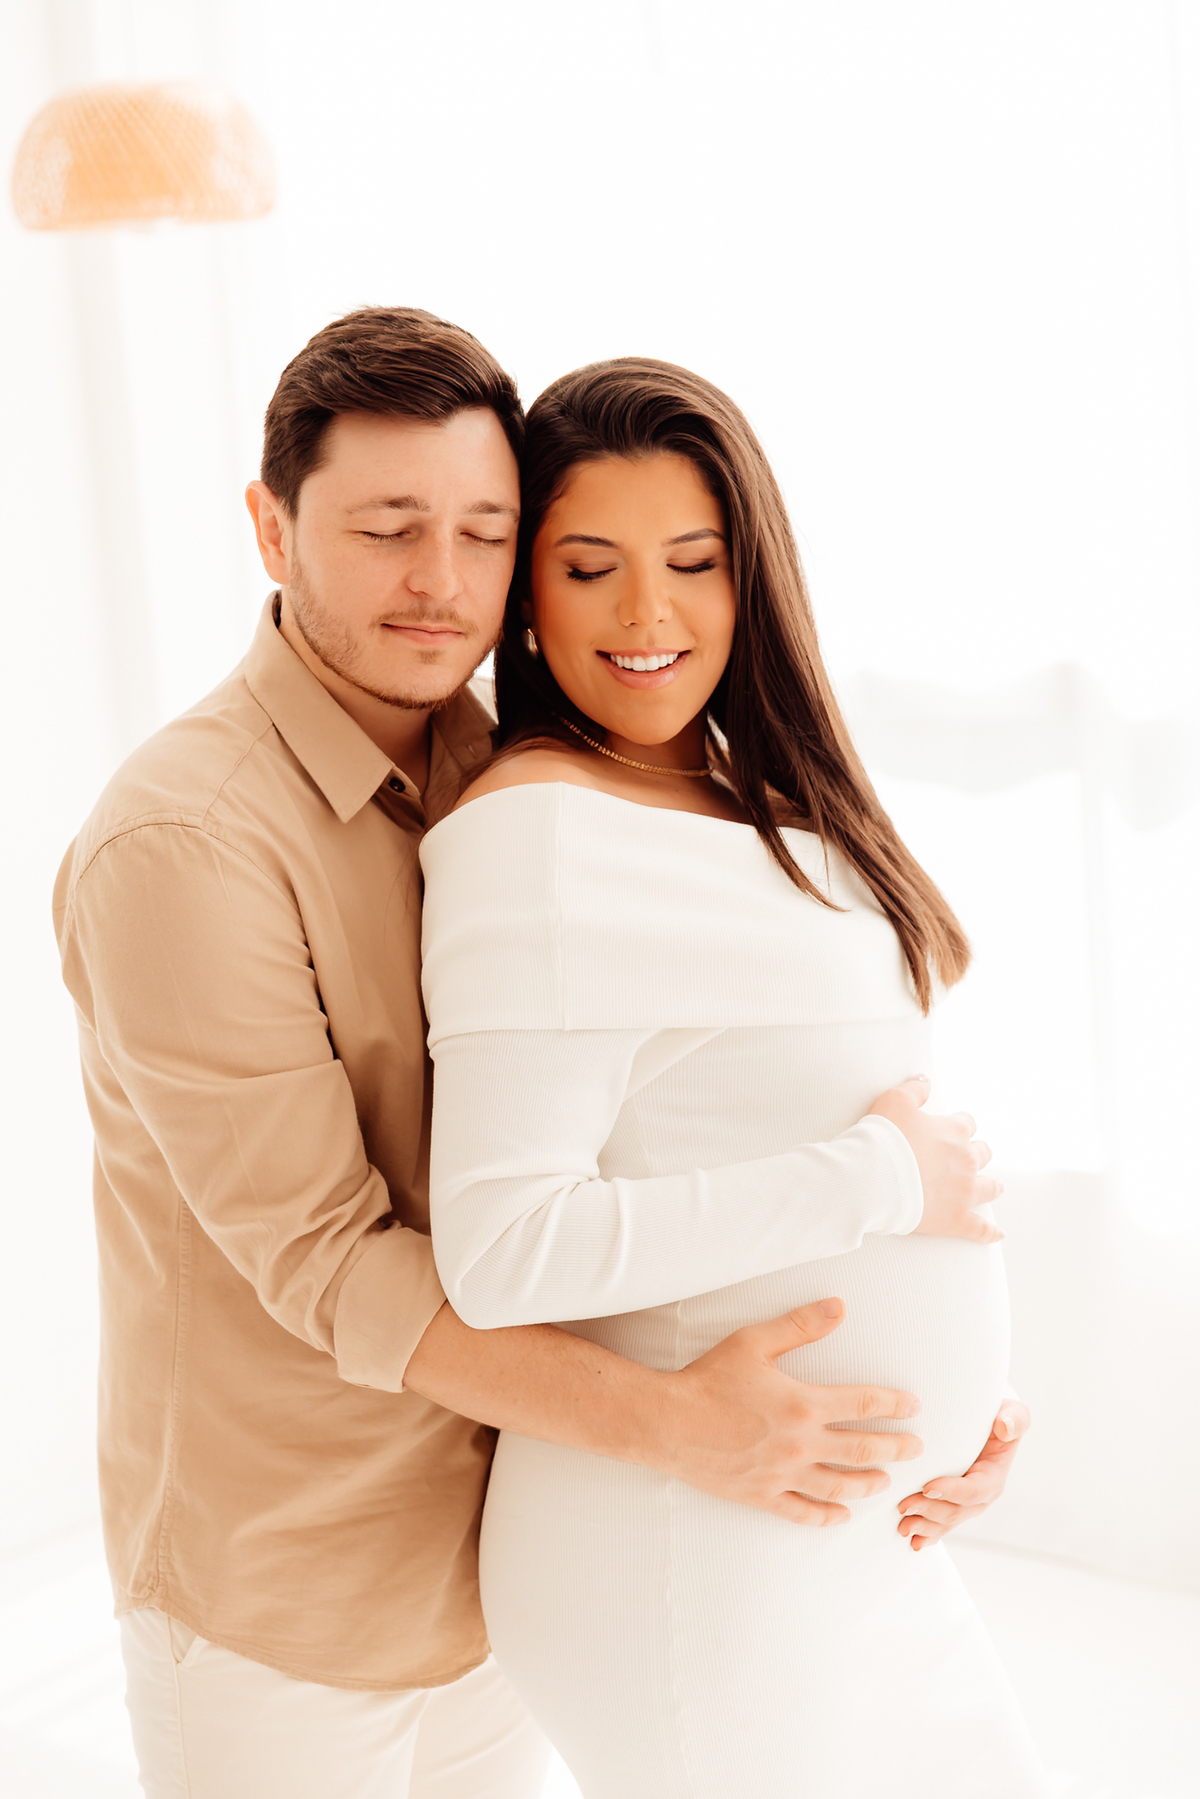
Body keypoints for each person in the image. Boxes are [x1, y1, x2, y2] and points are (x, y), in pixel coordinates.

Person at [53, 309, 1028, 1799]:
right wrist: (685, 1424)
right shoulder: (186, 842)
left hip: (513, 1526)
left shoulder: (502, 761)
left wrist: (923, 1407)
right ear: (271, 528)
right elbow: (331, 1262)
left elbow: (668, 1122)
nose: (442, 583)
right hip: (300, 1585)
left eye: (483, 533)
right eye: (387, 530)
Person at [421, 356, 1050, 1797]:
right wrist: (880, 1185)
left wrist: (964, 1408)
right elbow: (506, 1252)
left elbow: (764, 1107)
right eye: (592, 569)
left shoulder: (757, 791)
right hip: (689, 1546)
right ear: (527, 596)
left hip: (842, 1518)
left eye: (693, 563)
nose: (648, 614)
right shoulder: (537, 835)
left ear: (749, 575)